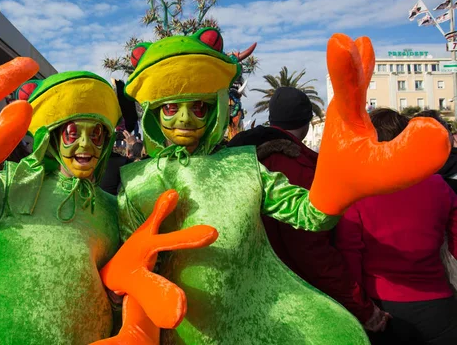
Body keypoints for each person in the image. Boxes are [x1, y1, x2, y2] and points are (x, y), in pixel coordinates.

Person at [0, 36, 216, 344]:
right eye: (71, 132)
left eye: (97, 134)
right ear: (51, 137)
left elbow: (116, 286)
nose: (85, 144)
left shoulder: (112, 208)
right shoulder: (15, 184)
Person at [114, 28, 450, 343]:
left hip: (257, 323)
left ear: (213, 107)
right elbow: (131, 272)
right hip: (178, 329)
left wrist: (339, 188)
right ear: (155, 114)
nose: (184, 119)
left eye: (198, 107)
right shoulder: (137, 181)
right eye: (171, 108)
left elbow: (309, 215)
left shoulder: (245, 164)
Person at [227, 87, 387, 331]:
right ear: (308, 122)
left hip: (243, 294)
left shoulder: (239, 157)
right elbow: (311, 250)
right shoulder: (297, 165)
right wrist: (362, 309)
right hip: (294, 298)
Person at [336, 107, 457, 345]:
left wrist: (361, 309)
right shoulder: (438, 184)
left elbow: (349, 257)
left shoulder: (357, 191)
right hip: (438, 307)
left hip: (382, 309)